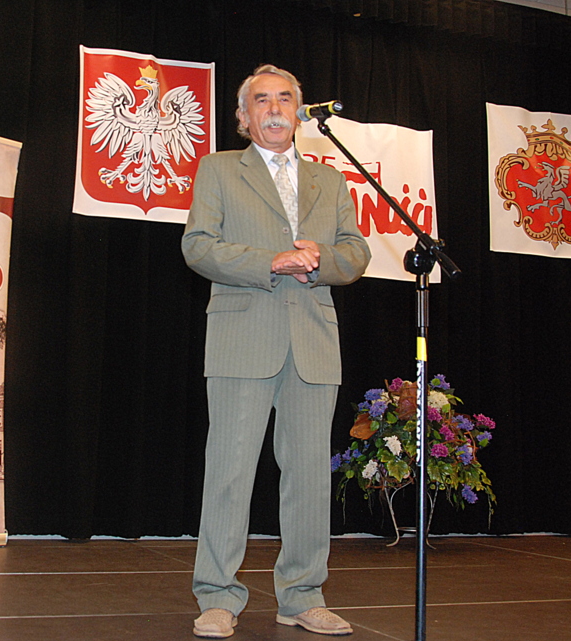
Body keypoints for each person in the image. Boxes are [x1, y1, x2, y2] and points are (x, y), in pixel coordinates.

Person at [181, 64, 371, 638]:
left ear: (298, 112)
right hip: (243, 336)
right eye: (261, 100)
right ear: (243, 116)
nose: (274, 108)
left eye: (285, 98)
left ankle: (303, 594)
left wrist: (321, 261)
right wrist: (271, 261)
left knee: (310, 476)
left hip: (313, 340)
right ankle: (218, 595)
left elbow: (355, 252)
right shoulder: (219, 169)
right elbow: (198, 246)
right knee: (230, 471)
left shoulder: (329, 181)